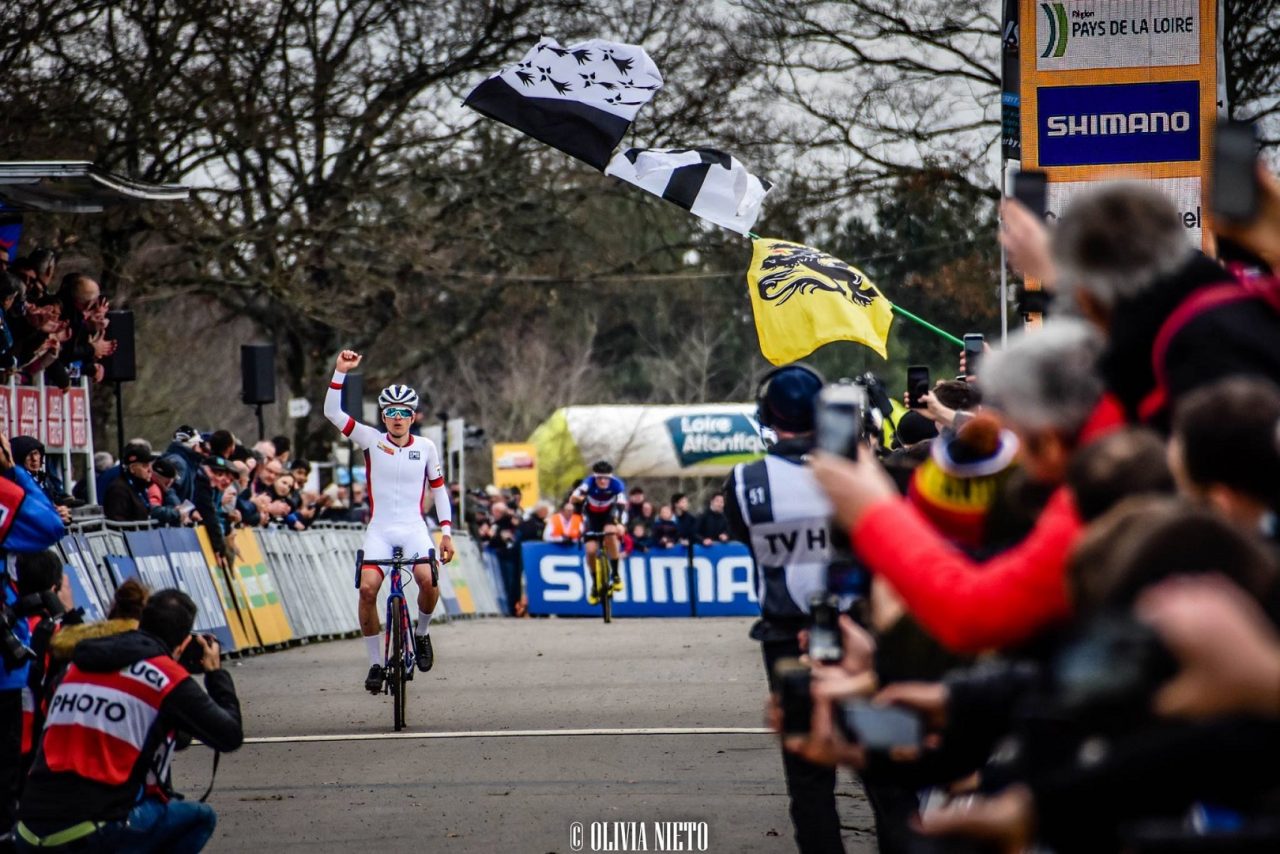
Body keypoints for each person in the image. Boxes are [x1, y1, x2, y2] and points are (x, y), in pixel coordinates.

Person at [722, 363, 856, 854]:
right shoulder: (858, 471)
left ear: (766, 415)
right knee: (886, 772)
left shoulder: (742, 481)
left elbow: (745, 537)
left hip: (783, 637)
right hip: (857, 633)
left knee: (807, 778)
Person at [15, 589, 243, 853]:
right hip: (87, 833)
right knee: (200, 818)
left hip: (27, 829)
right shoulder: (164, 675)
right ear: (181, 644)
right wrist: (215, 674)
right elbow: (229, 736)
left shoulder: (75, 666)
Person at [324, 350, 454, 693]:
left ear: (413, 417)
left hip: (414, 529)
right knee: (367, 590)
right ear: (383, 416)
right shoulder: (371, 439)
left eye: (404, 413)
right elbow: (332, 413)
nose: (397, 418)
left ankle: (422, 634)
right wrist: (339, 372)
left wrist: (446, 533)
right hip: (380, 529)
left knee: (428, 580)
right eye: (391, 413)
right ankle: (375, 663)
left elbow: (439, 491)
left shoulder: (426, 447)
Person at [570, 460, 627, 605]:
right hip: (592, 516)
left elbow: (621, 506)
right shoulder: (588, 483)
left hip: (610, 513)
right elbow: (573, 497)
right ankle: (595, 584)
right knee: (590, 550)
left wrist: (619, 523)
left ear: (610, 477)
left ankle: (615, 574)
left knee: (610, 532)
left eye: (605, 478)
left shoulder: (617, 485)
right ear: (595, 477)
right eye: (599, 478)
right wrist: (578, 497)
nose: (602, 481)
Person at [102, 443, 154, 523]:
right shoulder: (119, 489)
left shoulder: (140, 486)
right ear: (133, 468)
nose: (150, 470)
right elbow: (117, 521)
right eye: (145, 466)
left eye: (150, 466)